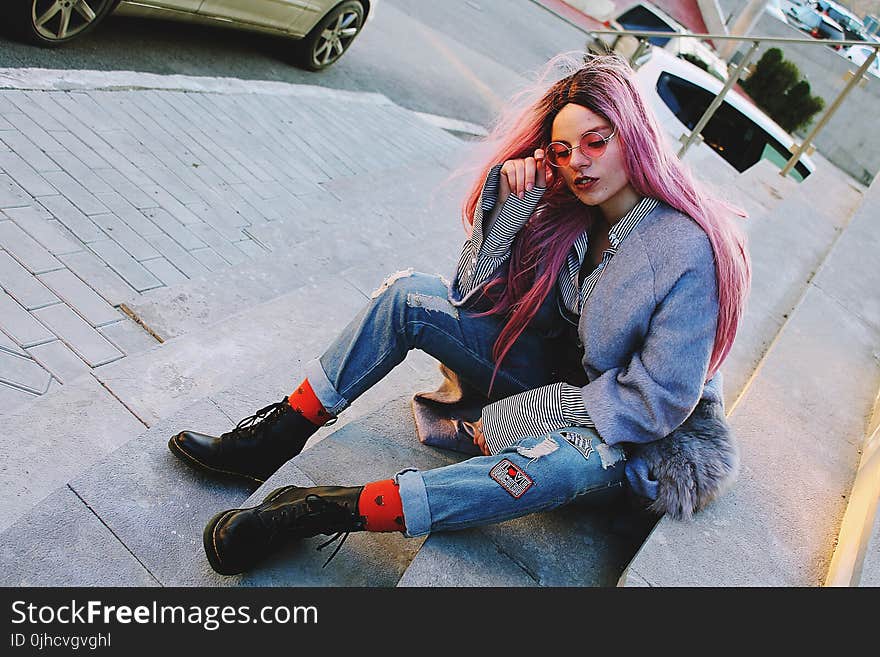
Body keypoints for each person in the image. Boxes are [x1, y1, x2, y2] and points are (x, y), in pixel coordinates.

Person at [169, 53, 750, 576]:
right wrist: (509, 210)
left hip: (636, 432)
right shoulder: (573, 209)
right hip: (556, 375)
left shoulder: (685, 248)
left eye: (597, 141)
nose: (579, 163)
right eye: (563, 150)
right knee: (410, 297)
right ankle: (275, 439)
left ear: (635, 136)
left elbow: (661, 400)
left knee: (554, 469)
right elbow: (470, 298)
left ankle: (321, 511)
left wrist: (551, 406)